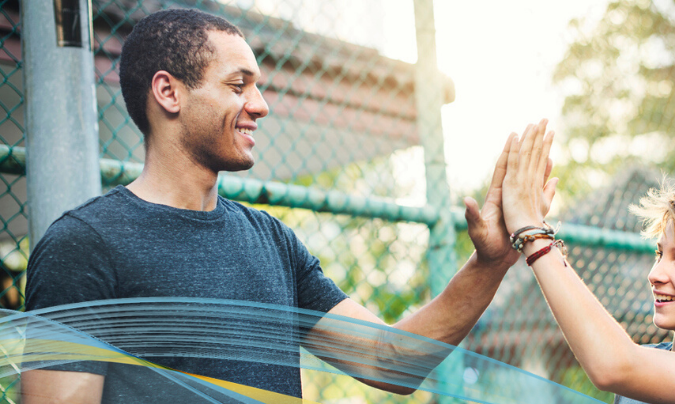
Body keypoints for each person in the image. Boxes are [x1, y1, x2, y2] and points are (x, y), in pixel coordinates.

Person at [21, 9, 557, 403]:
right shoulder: (83, 245)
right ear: (169, 92)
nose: (261, 105)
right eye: (238, 86)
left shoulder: (271, 242)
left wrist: (490, 263)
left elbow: (388, 361)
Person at [499, 120, 675, 404]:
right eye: (659, 254)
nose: (655, 274)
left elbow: (615, 366)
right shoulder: (641, 368)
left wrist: (531, 231)